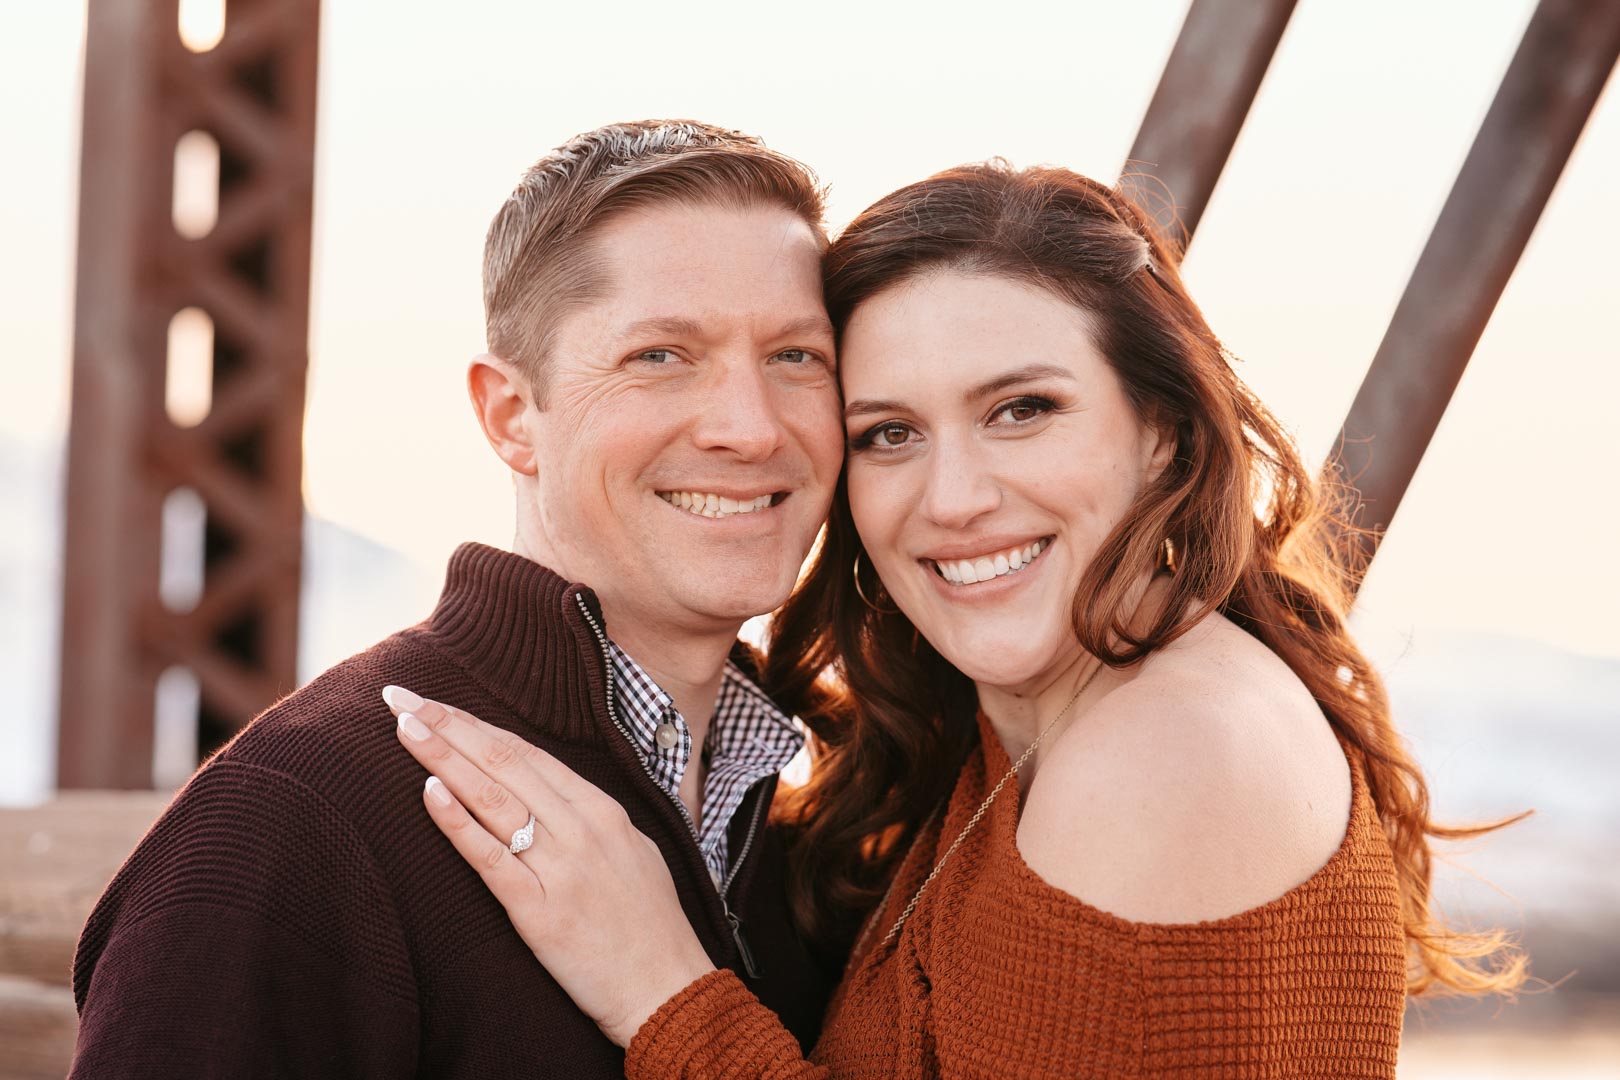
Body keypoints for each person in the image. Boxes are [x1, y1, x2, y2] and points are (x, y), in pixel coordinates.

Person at [385, 161, 1527, 1076]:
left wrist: (664, 991)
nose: (956, 497)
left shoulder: (1166, 747)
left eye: (1021, 410)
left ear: (1164, 427)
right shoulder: (1032, 729)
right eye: (890, 431)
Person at [69, 119, 847, 1078]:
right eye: (661, 355)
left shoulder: (819, 818)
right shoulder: (294, 822)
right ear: (511, 416)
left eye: (796, 357)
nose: (750, 427)